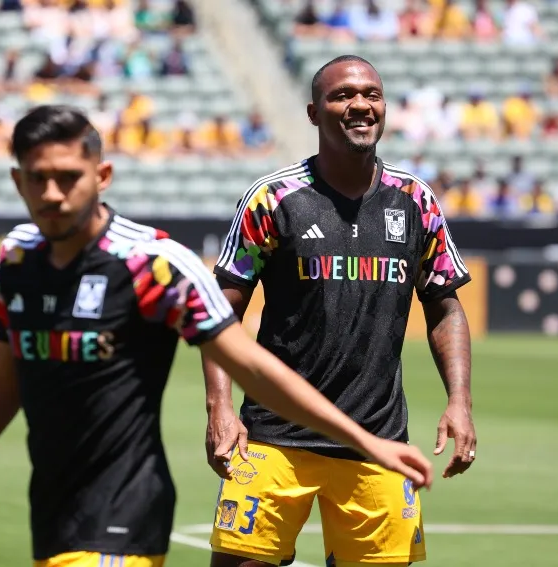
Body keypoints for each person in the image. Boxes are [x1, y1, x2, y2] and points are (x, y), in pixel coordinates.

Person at [0, 105, 433, 567]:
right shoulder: (16, 262)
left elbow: (250, 365)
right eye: (37, 179)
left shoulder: (153, 264)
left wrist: (364, 442)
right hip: (54, 514)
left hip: (124, 514)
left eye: (67, 177)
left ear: (101, 175)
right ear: (17, 181)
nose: (52, 194)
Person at [203, 54, 477, 567]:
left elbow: (445, 305)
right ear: (313, 113)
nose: (360, 105)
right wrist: (219, 407)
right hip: (273, 439)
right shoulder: (274, 198)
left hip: (379, 443)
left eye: (371, 94)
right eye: (342, 95)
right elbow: (219, 312)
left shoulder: (415, 201)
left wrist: (459, 400)